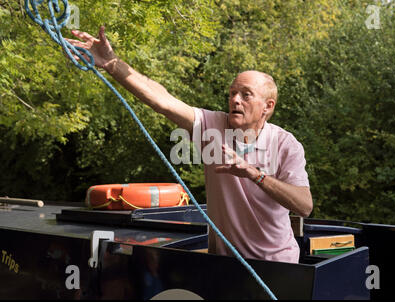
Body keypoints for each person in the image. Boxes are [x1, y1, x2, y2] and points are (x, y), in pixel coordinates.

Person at [67, 26, 313, 264]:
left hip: (277, 266)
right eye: (232, 93)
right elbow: (163, 101)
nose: (235, 100)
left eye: (245, 94)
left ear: (268, 106)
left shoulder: (286, 145)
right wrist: (112, 63)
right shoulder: (212, 125)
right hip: (223, 265)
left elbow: (304, 206)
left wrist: (254, 174)